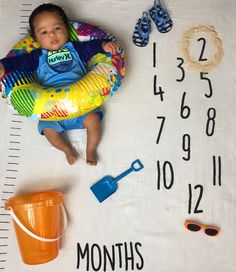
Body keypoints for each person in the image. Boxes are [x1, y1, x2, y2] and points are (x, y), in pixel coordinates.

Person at [0, 3, 118, 165]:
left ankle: (91, 150)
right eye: (44, 32)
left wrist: (103, 46)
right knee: (48, 130)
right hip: (52, 110)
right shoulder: (36, 57)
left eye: (57, 28)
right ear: (36, 38)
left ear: (66, 28)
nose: (52, 35)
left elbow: (91, 47)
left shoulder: (74, 49)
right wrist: (4, 66)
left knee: (94, 120)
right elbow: (17, 63)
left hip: (82, 105)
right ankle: (67, 149)